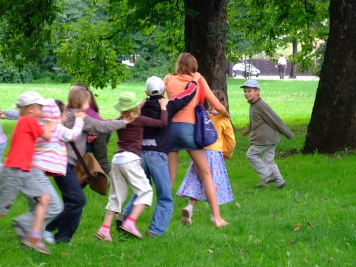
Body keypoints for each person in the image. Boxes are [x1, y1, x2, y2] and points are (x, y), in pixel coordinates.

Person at [44, 84, 130, 244]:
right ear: (82, 101)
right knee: (77, 201)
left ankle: (63, 238)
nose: (89, 104)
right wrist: (125, 122)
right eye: (87, 100)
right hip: (65, 165)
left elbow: (92, 129)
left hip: (65, 164)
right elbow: (102, 127)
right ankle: (46, 228)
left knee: (74, 202)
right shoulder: (80, 116)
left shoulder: (69, 114)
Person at [117, 75, 198, 237]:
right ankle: (155, 231)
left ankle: (125, 216)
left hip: (139, 154)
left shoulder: (140, 106)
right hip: (157, 155)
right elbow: (188, 95)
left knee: (141, 190)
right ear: (164, 90)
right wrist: (194, 81)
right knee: (165, 197)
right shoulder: (168, 106)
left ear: (146, 92)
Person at [164, 52, 230, 228]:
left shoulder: (169, 79)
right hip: (189, 130)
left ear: (178, 64)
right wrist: (225, 113)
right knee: (206, 173)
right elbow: (216, 104)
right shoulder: (198, 80)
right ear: (194, 66)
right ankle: (217, 218)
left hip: (170, 130)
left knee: (169, 178)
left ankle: (163, 216)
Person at [95, 91, 168, 240]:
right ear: (135, 107)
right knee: (146, 191)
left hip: (117, 160)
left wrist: (138, 107)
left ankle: (104, 229)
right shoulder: (140, 120)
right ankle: (130, 222)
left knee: (116, 196)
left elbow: (120, 120)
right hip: (130, 160)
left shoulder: (120, 120)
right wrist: (164, 107)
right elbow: (162, 123)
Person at [0, 92, 53, 254]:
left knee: (44, 199)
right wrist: (51, 124)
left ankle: (33, 236)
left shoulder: (25, 120)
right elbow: (47, 136)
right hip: (13, 171)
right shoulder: (29, 121)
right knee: (2, 210)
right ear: (31, 109)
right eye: (40, 108)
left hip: (24, 170)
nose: (42, 111)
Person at [177, 90, 236, 225]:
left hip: (200, 153)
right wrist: (227, 153)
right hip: (214, 155)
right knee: (213, 184)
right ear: (224, 103)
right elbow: (231, 141)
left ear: (209, 102)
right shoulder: (224, 120)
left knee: (198, 181)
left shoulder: (203, 117)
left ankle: (190, 207)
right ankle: (214, 216)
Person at [241, 80, 294, 188]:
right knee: (269, 161)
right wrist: (248, 129)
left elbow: (275, 119)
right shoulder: (254, 105)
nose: (246, 94)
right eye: (245, 91)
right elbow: (256, 120)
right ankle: (280, 184)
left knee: (251, 155)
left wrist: (288, 134)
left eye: (249, 91)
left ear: (257, 91)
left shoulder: (261, 106)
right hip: (270, 139)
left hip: (264, 139)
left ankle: (268, 176)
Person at [85, 89, 112, 176]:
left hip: (100, 134)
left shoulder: (82, 109)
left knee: (102, 160)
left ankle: (116, 181)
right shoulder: (91, 106)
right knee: (97, 159)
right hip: (103, 131)